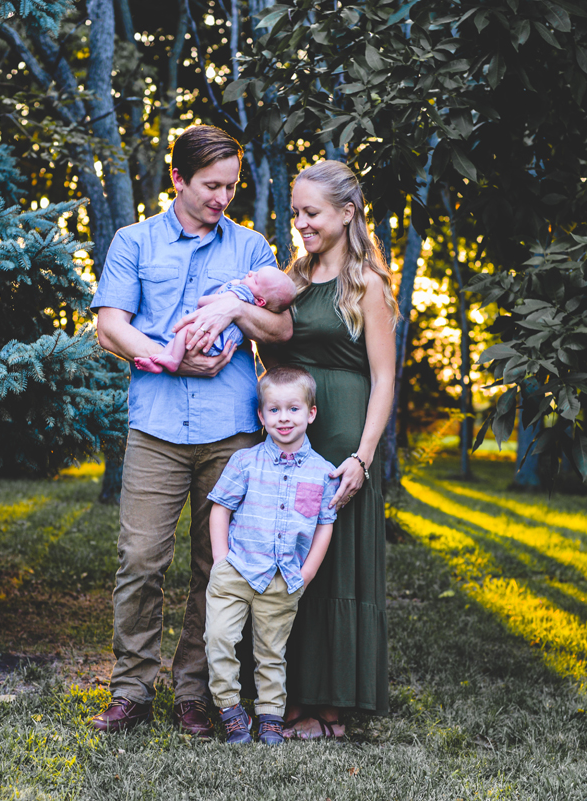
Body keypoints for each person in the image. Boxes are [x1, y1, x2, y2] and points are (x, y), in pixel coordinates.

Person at [89, 125, 292, 737]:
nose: (222, 197)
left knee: (216, 567)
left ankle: (194, 692)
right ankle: (130, 690)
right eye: (211, 185)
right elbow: (109, 327)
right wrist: (167, 355)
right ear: (177, 179)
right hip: (155, 426)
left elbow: (280, 331)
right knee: (140, 559)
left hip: (231, 431)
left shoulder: (252, 247)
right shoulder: (134, 241)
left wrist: (234, 309)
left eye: (232, 186)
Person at [260, 160, 398, 739]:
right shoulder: (291, 276)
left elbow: (385, 378)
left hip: (342, 443)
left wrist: (363, 457)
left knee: (336, 568)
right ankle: (292, 698)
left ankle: (334, 709)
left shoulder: (367, 283)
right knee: (290, 566)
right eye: (295, 213)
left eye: (311, 213)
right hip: (289, 438)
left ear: (347, 213)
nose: (301, 224)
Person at [204, 366, 339, 744]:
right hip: (237, 569)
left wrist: (308, 572)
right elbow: (221, 507)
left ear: (310, 413)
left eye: (293, 409)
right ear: (261, 416)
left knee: (271, 652)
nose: (284, 418)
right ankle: (230, 710)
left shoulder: (322, 473)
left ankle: (269, 718)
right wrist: (221, 559)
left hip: (284, 578)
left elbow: (324, 523)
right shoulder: (245, 462)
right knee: (219, 637)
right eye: (274, 410)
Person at [134, 266, 296, 374]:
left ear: (260, 301)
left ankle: (173, 360)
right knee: (183, 334)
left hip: (213, 340)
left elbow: (212, 301)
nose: (250, 273)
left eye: (255, 279)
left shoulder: (242, 293)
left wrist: (203, 301)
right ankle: (163, 359)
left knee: (184, 330)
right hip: (220, 344)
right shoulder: (251, 298)